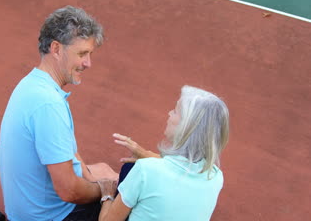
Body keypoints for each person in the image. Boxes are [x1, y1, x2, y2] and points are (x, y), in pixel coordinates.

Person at [0, 6, 117, 221]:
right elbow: (69, 191)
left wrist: (92, 176)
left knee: (104, 171)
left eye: (90, 54)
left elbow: (68, 152)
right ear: (56, 49)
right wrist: (106, 191)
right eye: (82, 54)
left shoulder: (32, 84)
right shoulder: (48, 105)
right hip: (49, 217)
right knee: (130, 202)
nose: (88, 63)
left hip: (30, 209)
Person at [98, 85, 230, 221]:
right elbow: (181, 170)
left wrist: (107, 195)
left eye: (175, 111)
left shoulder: (145, 170)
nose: (169, 113)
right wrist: (145, 154)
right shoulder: (215, 177)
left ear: (186, 128)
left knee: (125, 171)